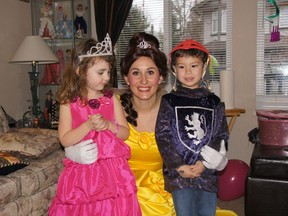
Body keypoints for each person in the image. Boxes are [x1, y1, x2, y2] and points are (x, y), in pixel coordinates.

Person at [65, 32, 176, 216]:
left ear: (161, 77)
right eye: (135, 73)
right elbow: (80, 127)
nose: (143, 81)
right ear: (126, 78)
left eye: (150, 72)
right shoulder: (107, 104)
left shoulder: (174, 112)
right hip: (118, 190)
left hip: (163, 192)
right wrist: (71, 152)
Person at [48, 34, 141, 216]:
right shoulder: (68, 102)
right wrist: (87, 126)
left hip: (112, 174)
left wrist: (108, 125)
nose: (106, 78)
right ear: (80, 71)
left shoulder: (111, 99)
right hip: (82, 173)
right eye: (100, 72)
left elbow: (125, 133)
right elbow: (65, 139)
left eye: (108, 72)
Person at [155, 39, 229, 216]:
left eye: (194, 65)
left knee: (207, 212)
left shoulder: (214, 102)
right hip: (181, 174)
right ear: (174, 70)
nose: (188, 71)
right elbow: (163, 136)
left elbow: (221, 135)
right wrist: (179, 166)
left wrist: (205, 164)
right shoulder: (169, 102)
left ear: (204, 68)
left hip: (206, 172)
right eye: (181, 67)